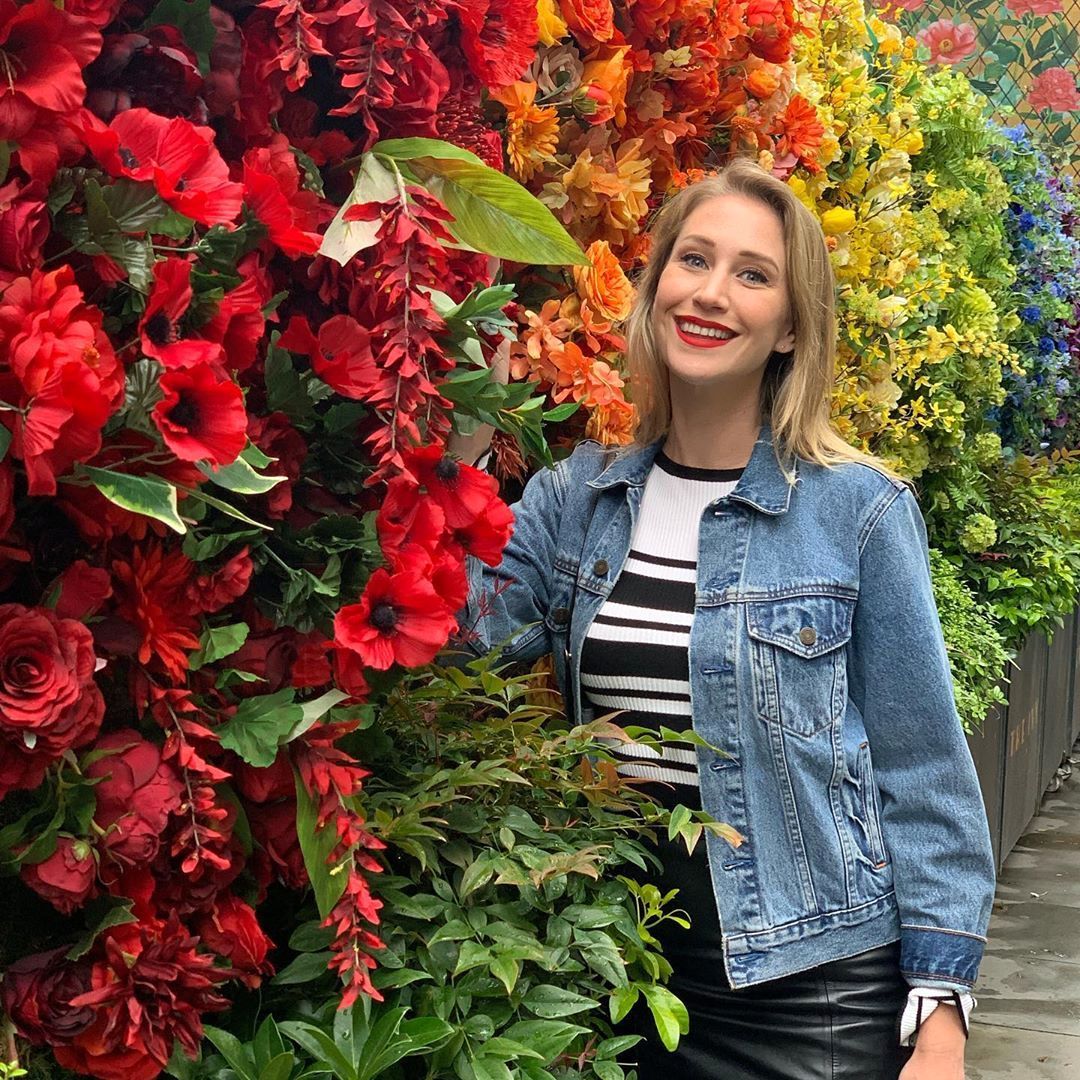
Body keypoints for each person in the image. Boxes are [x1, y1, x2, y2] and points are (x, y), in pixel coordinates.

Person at [448, 157, 996, 1080]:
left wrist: (941, 1019)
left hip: (812, 989)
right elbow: (468, 655)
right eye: (693, 260)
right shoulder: (577, 497)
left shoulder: (857, 512)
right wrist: (463, 448)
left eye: (753, 274)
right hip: (616, 972)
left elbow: (923, 768)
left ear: (791, 326)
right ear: (658, 283)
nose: (711, 293)